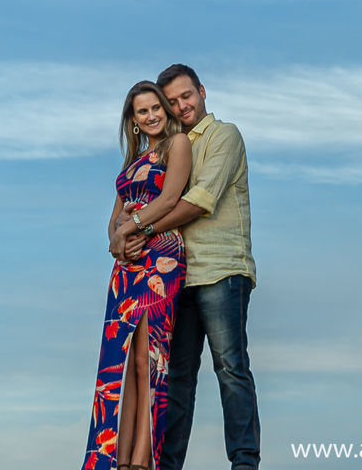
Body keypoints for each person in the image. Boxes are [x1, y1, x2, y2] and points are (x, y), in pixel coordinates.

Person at [115, 63, 258, 470]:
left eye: (187, 96)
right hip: (174, 275)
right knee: (176, 376)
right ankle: (167, 464)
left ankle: (244, 462)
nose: (182, 106)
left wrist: (141, 229)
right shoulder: (165, 149)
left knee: (230, 367)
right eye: (173, 101)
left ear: (202, 92)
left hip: (220, 269)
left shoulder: (223, 136)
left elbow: (198, 201)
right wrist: (128, 231)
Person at [83, 80, 193, 470]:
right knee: (122, 360)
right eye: (142, 111)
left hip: (161, 258)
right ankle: (118, 458)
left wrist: (128, 231)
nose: (151, 116)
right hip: (126, 264)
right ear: (133, 120)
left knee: (149, 358)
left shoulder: (178, 145)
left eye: (155, 108)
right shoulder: (132, 162)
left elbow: (170, 198)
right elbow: (113, 221)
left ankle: (143, 460)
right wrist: (117, 241)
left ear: (166, 109)